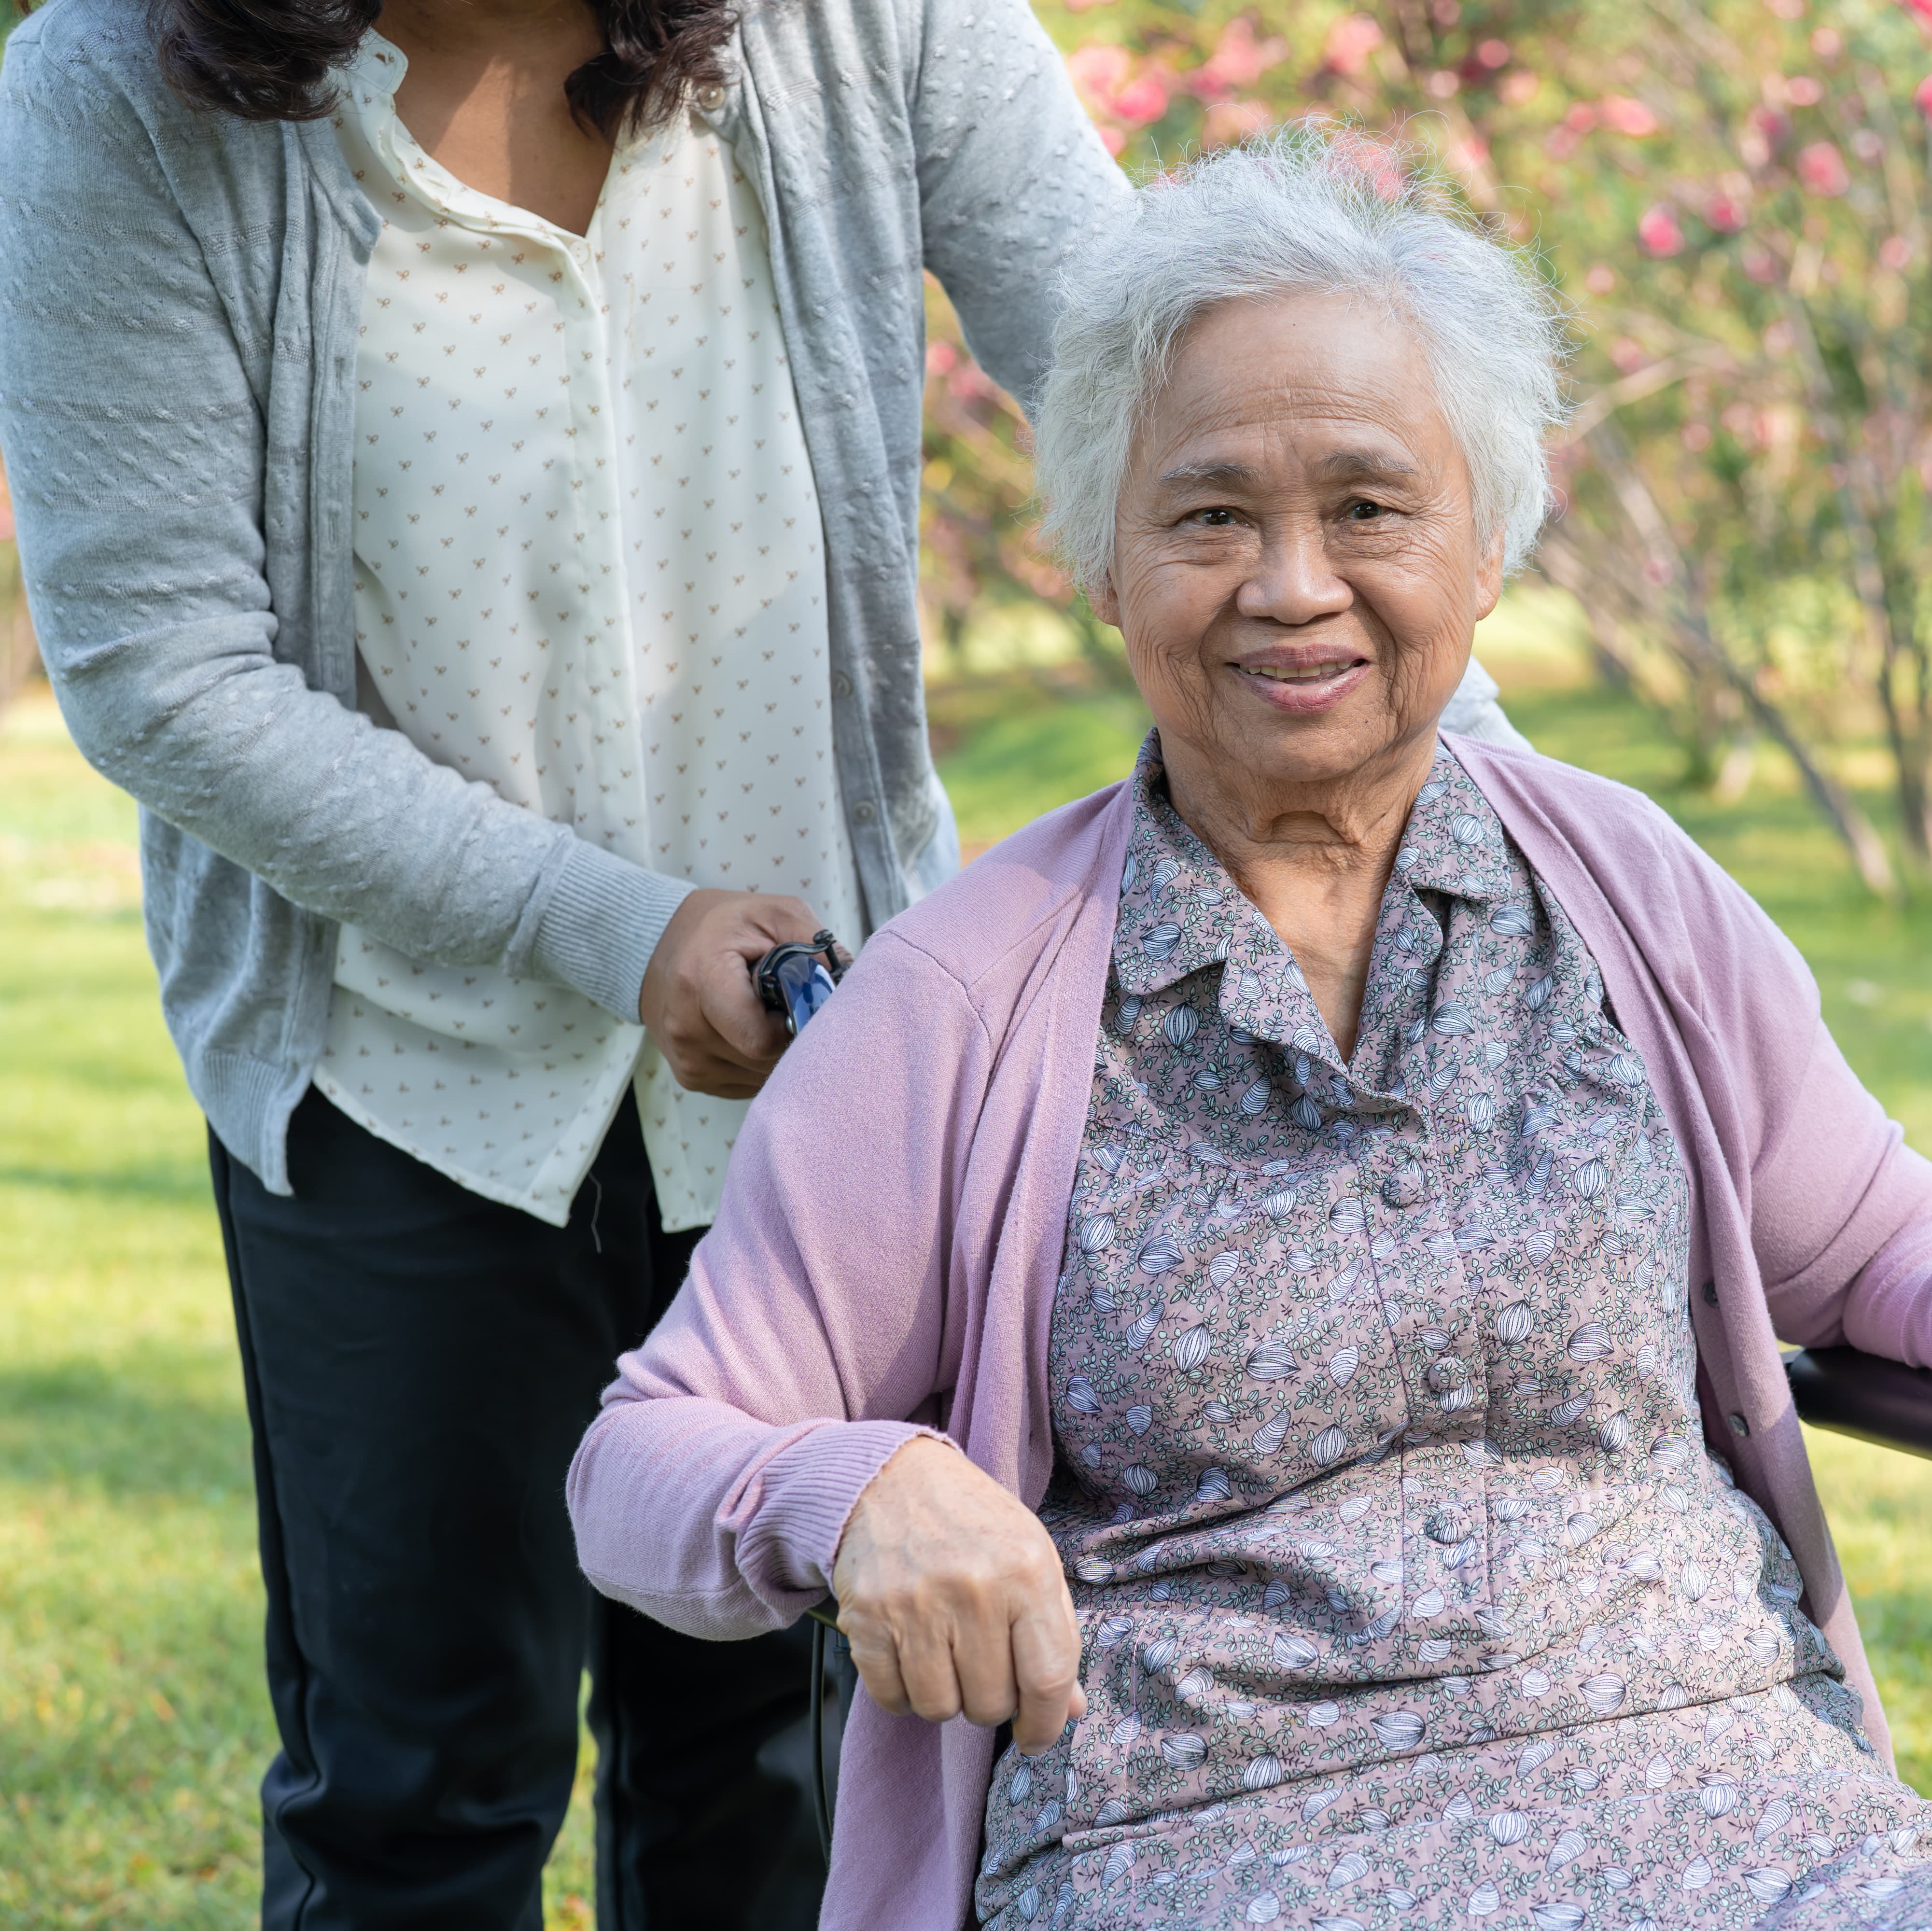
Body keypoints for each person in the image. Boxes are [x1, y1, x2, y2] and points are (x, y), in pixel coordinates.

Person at [0, 2, 1524, 1925]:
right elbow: (162, 671)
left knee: (781, 1788)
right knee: (424, 1786)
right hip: (403, 1076)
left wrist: (1504, 808)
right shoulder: (108, 85)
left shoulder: (865, 26)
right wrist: (618, 932)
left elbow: (1189, 397)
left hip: (833, 1079)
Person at [567, 133, 1932, 1931]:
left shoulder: (1628, 889)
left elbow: (1872, 1231)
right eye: (1208, 515)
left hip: (1725, 1793)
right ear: (1105, 566)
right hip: (1204, 1836)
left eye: (1367, 508)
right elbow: (647, 1455)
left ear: (1486, 551)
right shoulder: (969, 997)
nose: (1291, 584)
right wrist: (853, 1484)